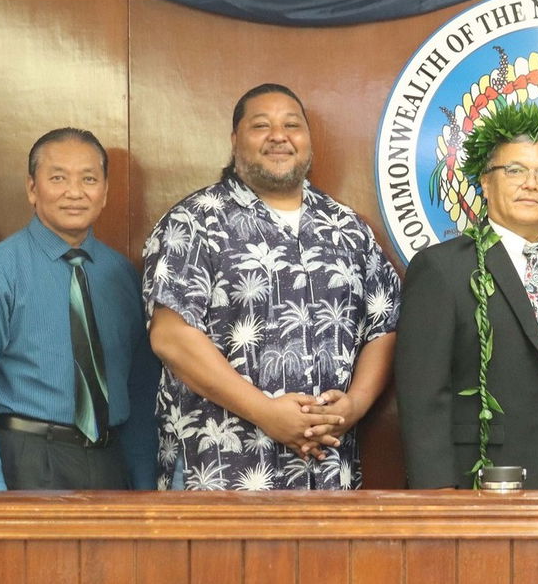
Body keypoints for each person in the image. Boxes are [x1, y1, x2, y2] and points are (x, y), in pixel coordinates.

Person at [143, 83, 400, 490]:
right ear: (234, 141)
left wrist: (354, 405)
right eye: (261, 125)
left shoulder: (347, 228)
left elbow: (384, 327)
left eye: (292, 125)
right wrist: (266, 412)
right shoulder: (194, 222)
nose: (279, 135)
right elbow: (172, 338)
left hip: (329, 477)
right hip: (218, 475)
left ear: (309, 142)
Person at [394, 102, 538, 489]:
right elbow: (423, 399)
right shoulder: (441, 270)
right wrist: (437, 501)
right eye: (514, 170)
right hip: (482, 484)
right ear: (484, 181)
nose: (531, 183)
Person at [0, 128, 159, 490]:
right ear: (33, 188)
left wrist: (144, 483)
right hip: (26, 460)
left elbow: (141, 390)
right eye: (58, 178)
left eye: (89, 179)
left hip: (110, 461)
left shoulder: (123, 275)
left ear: (106, 191)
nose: (75, 192)